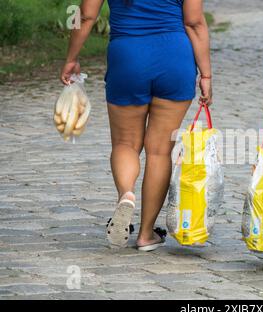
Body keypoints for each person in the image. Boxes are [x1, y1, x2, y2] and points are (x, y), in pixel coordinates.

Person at [60, 0, 212, 251]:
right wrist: (205, 74)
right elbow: (194, 22)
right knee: (160, 151)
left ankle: (126, 195)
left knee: (125, 143)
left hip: (127, 57)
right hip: (174, 56)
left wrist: (71, 58)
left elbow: (85, 16)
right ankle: (145, 234)